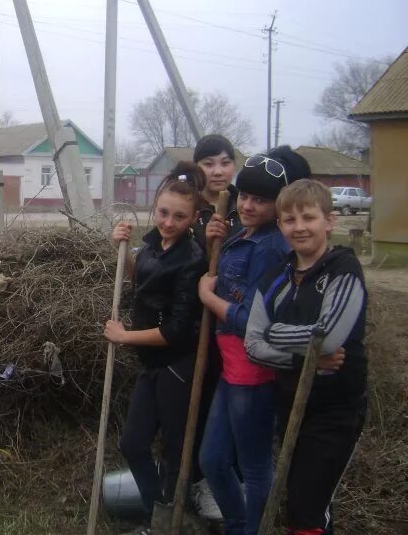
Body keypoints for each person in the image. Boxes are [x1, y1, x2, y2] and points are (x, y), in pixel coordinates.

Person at [198, 146, 311, 535]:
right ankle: (237, 523)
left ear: (277, 205)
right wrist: (218, 236)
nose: (247, 205)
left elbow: (257, 324)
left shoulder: (271, 250)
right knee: (212, 459)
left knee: (255, 466)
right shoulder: (244, 235)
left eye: (260, 200)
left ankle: (252, 530)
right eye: (244, 196)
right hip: (231, 371)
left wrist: (210, 299)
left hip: (253, 372)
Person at [245, 179, 367, 535]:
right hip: (292, 404)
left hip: (337, 410)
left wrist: (275, 331)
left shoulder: (343, 271)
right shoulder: (275, 278)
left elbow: (327, 340)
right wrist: (304, 360)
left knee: (308, 509)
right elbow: (253, 345)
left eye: (308, 218)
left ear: (329, 221)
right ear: (280, 224)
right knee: (299, 501)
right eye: (289, 220)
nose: (299, 227)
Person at [105, 161, 208, 535]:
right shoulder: (153, 242)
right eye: (163, 212)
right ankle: (159, 517)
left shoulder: (193, 258)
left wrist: (124, 337)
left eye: (179, 217)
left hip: (176, 365)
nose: (168, 222)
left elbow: (177, 330)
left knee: (173, 453)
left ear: (193, 217)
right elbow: (141, 278)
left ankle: (169, 523)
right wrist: (123, 251)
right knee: (133, 444)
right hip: (151, 362)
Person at [190, 133, 241, 521]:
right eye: (209, 163)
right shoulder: (191, 208)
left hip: (238, 326)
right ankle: (199, 483)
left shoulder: (246, 205)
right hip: (198, 326)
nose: (218, 171)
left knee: (238, 406)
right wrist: (205, 243)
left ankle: (233, 480)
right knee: (201, 401)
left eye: (224, 162)